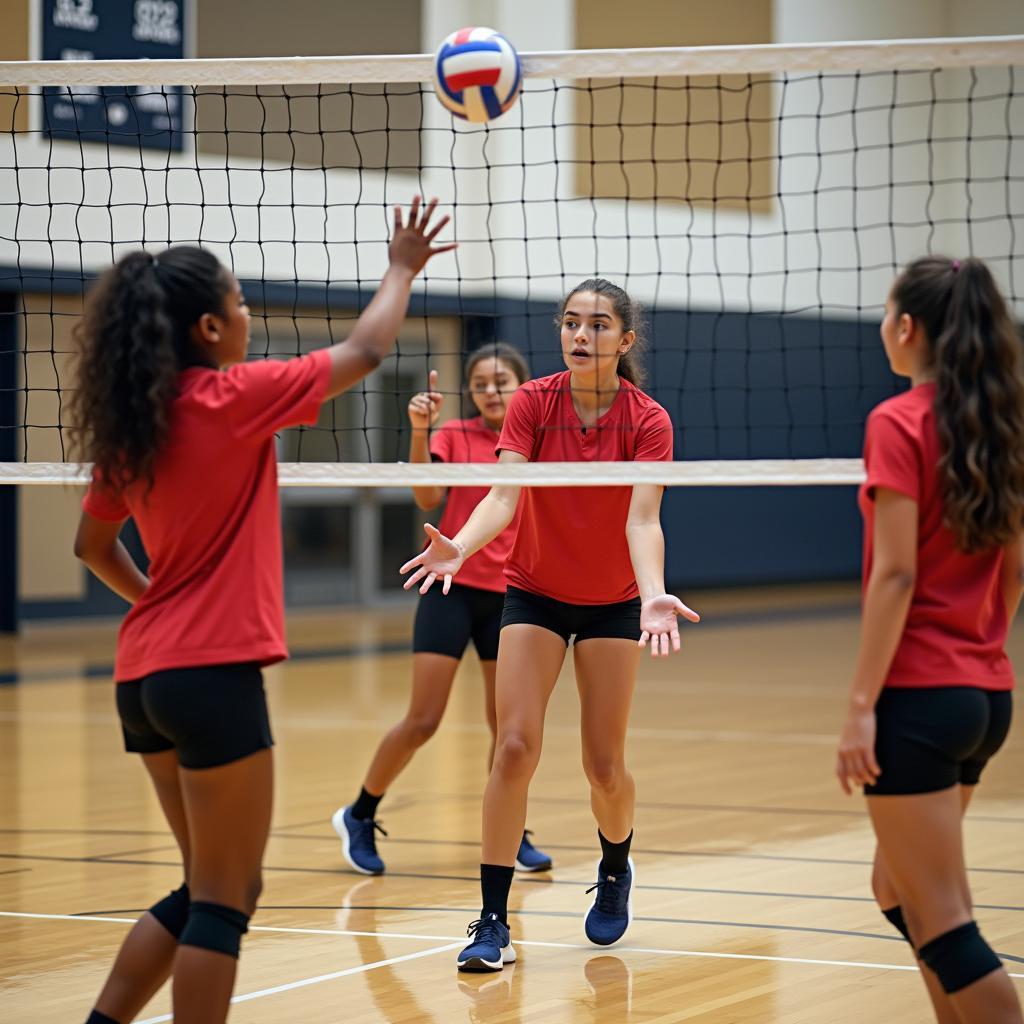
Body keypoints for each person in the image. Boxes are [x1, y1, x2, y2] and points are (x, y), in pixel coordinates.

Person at [71, 198, 454, 1024]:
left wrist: (160, 603)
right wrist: (402, 268)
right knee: (223, 898)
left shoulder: (132, 426)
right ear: (210, 328)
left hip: (141, 677)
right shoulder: (233, 397)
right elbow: (366, 350)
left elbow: (92, 547)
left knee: (211, 885)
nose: (249, 316)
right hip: (210, 676)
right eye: (241, 302)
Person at [400, 278, 699, 972]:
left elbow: (643, 520)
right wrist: (460, 547)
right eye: (570, 322)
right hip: (534, 591)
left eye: (597, 325)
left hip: (612, 601)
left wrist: (653, 593)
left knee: (604, 767)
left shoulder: (648, 420)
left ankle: (616, 865)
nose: (580, 335)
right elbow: (503, 497)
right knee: (513, 748)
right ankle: (493, 921)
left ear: (624, 340)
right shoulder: (533, 401)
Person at [836, 256, 1024, 1024]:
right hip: (985, 694)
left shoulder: (898, 420)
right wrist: (977, 647)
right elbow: (1014, 571)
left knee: (943, 919)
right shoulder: (1000, 424)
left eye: (887, 313)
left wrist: (861, 706)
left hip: (919, 698)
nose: (884, 326)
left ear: (908, 327)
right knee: (900, 888)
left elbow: (896, 575)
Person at [333, 344, 553, 875]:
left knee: (509, 729)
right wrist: (420, 430)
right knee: (423, 720)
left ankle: (511, 831)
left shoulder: (539, 440)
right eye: (479, 384)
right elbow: (427, 497)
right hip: (450, 588)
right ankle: (359, 814)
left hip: (512, 595)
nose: (490, 391)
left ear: (522, 385)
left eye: (501, 381)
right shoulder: (454, 434)